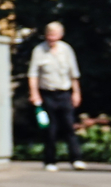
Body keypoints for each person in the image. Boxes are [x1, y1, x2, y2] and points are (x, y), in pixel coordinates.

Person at [27, 21, 84, 170]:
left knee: (69, 127)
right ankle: (50, 161)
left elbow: (74, 73)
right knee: (50, 129)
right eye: (49, 35)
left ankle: (76, 159)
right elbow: (33, 74)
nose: (51, 38)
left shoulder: (66, 50)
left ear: (60, 35)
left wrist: (76, 93)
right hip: (47, 94)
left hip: (64, 93)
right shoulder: (39, 50)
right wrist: (34, 94)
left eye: (54, 35)